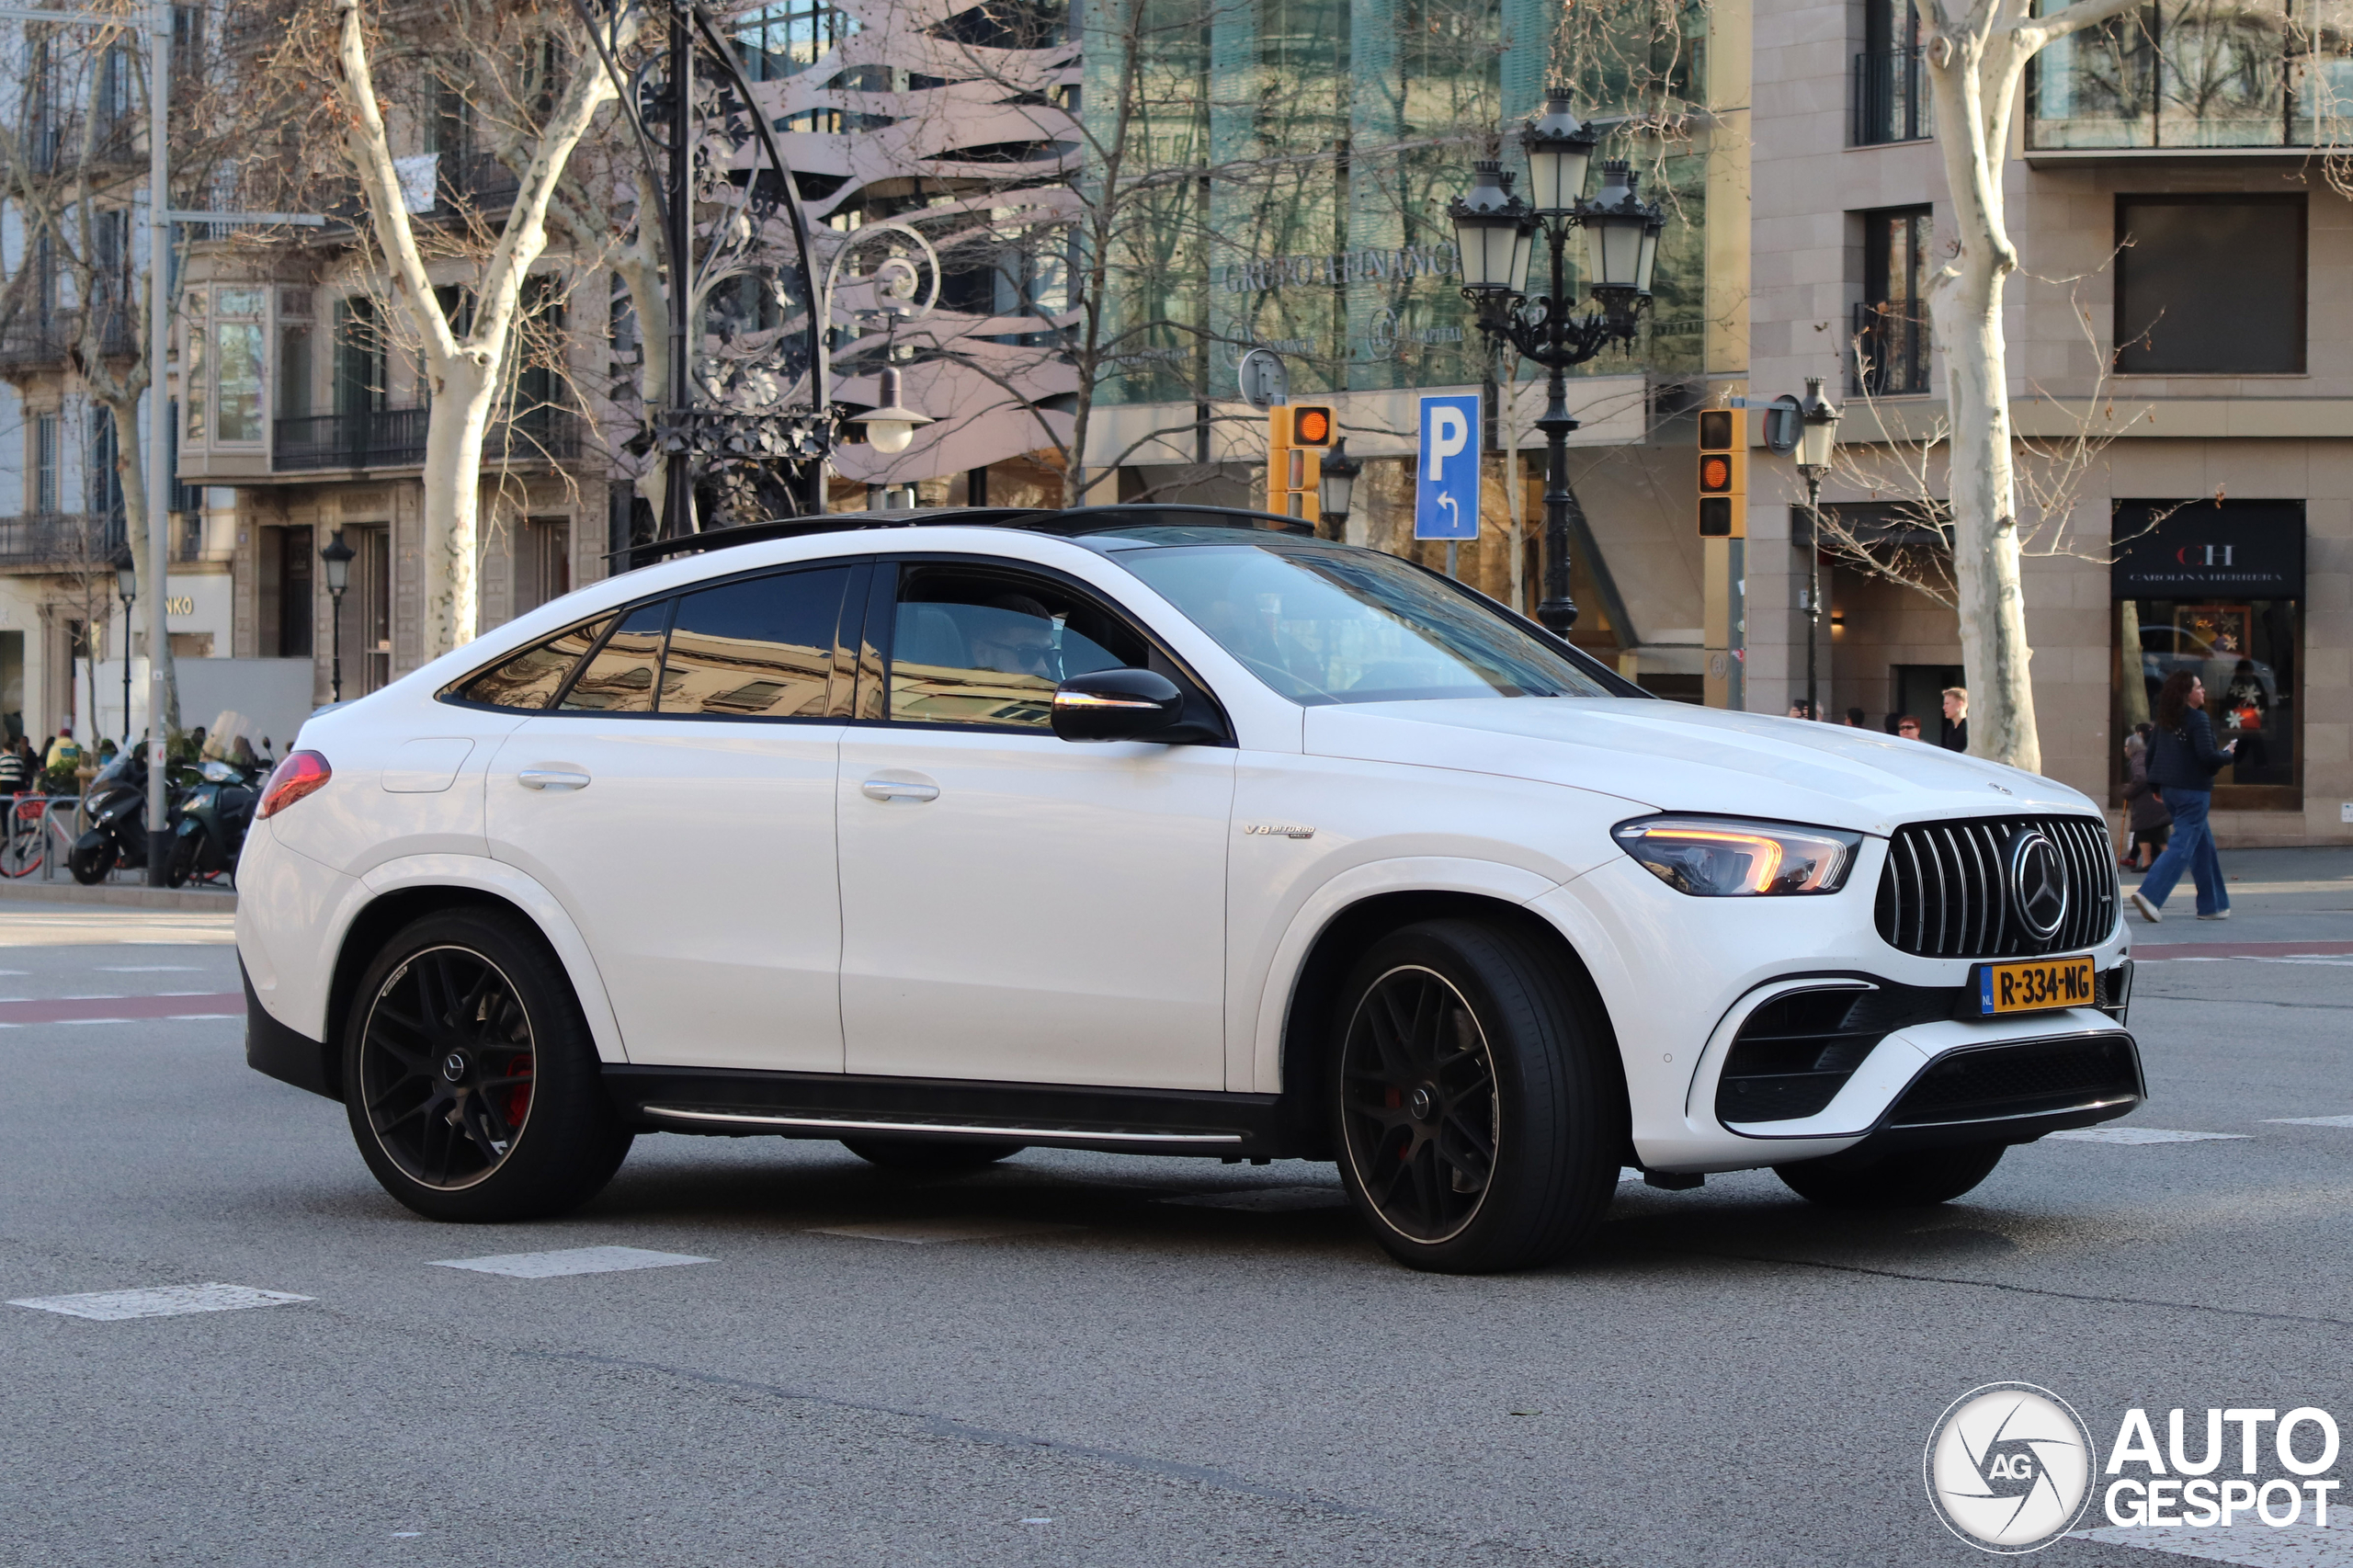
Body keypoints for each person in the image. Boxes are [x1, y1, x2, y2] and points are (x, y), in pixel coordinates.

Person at [2131, 670, 2235, 923]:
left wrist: (2157, 788)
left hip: (2170, 790)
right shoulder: (2198, 719)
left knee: (2203, 846)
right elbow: (2208, 757)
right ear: (2187, 694)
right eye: (2198, 687)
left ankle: (2213, 905)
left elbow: (2151, 755)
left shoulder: (2166, 720)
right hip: (2193, 791)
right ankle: (2150, 894)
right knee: (2182, 844)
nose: (2203, 691)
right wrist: (2228, 753)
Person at [2120, 727, 2171, 872]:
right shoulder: (2144, 756)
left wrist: (2128, 791)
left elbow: (2141, 778)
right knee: (2148, 835)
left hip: (2148, 806)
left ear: (2130, 747)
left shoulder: (2139, 759)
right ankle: (2148, 863)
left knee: (2150, 835)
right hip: (2152, 804)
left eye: (2125, 746)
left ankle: (2167, 863)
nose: (2124, 750)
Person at [1941, 687, 1970, 753]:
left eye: (1947, 704)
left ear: (1960, 704)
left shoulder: (1969, 728)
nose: (1944, 707)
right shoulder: (1950, 729)